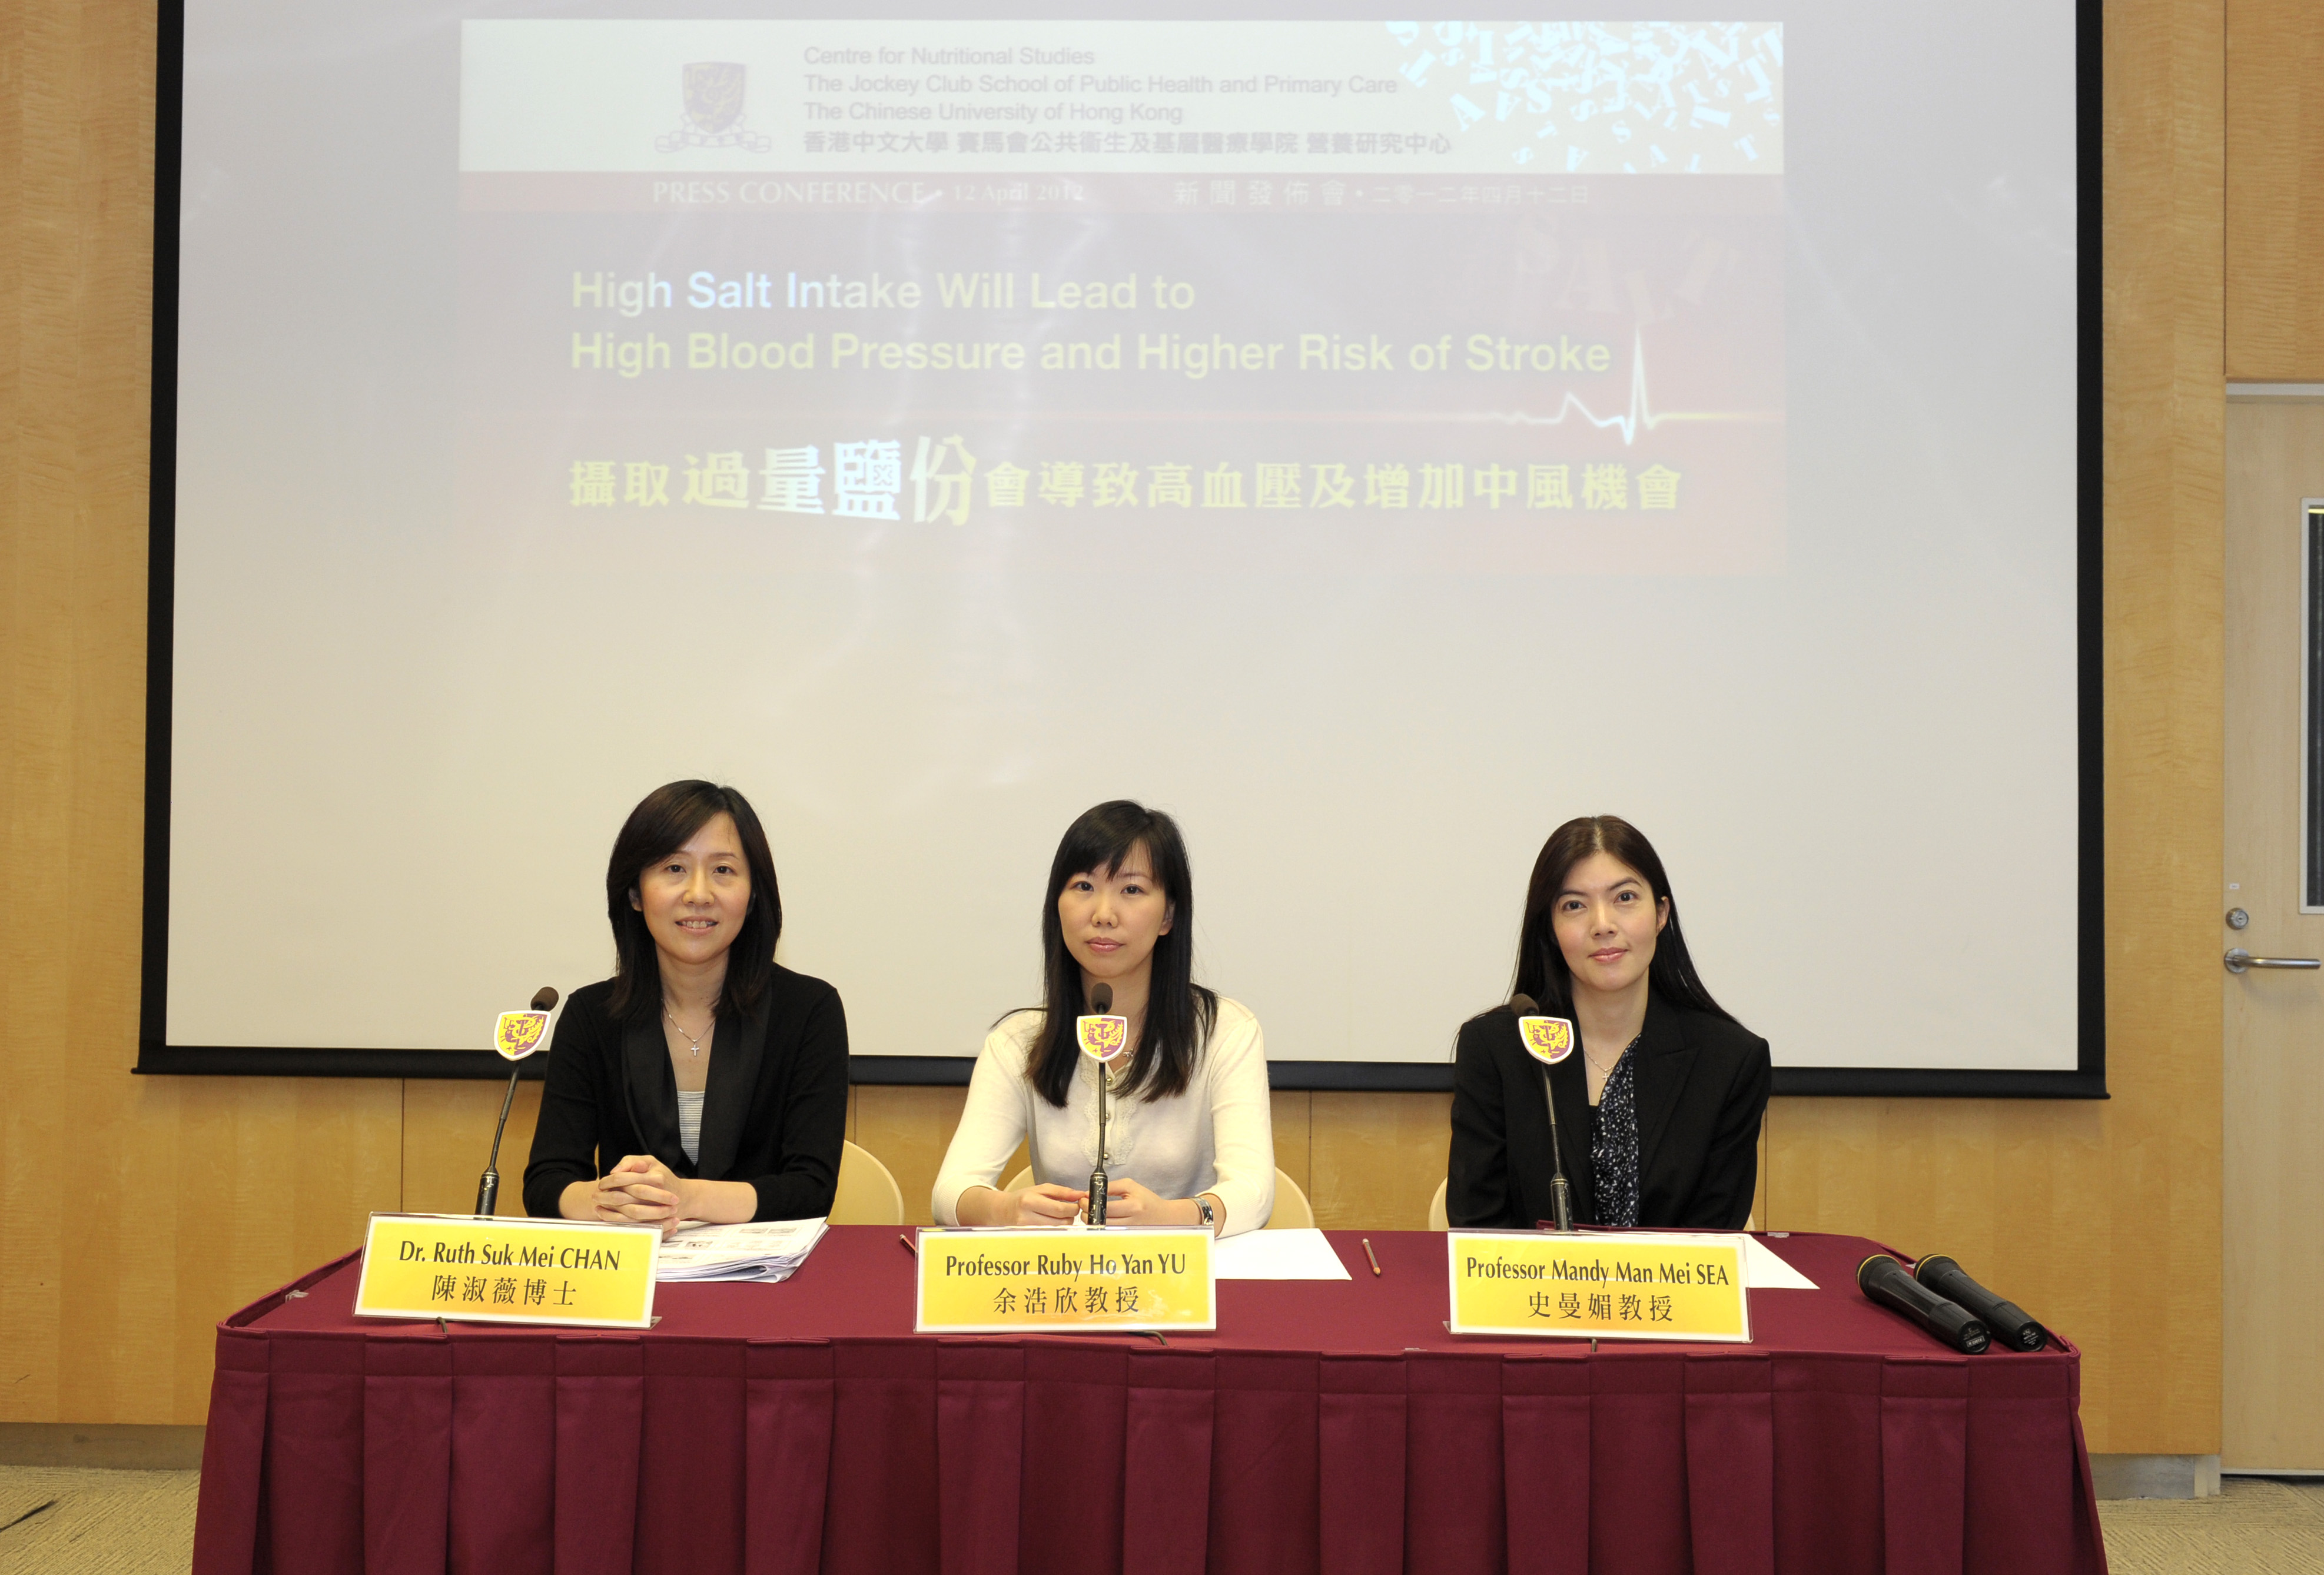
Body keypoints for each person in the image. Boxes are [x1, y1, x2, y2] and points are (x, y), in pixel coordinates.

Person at [932, 800, 1274, 1237]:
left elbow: (1255, 1190)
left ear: (1168, 914)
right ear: (1057, 905)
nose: (1103, 914)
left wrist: (1172, 1217)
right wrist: (1005, 1210)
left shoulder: (1225, 1032)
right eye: (1083, 886)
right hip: (1066, 1284)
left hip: (1187, 1284)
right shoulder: (1019, 1040)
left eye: (1131, 890)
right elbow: (950, 1191)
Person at [523, 780, 847, 1231]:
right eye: (674, 868)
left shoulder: (810, 1010)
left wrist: (687, 1197)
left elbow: (811, 1189)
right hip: (632, 1278)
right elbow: (547, 1183)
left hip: (763, 1282)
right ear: (635, 894)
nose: (698, 894)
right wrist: (617, 1200)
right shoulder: (591, 1015)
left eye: (723, 871)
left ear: (753, 894)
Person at [1447, 815, 1769, 1230]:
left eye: (1625, 898)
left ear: (1661, 913)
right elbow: (1479, 1229)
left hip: (1668, 1297)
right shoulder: (1496, 1051)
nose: (1603, 925)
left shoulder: (1729, 1062)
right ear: (1551, 928)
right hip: (1533, 1295)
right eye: (1574, 906)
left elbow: (1713, 1243)